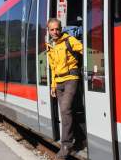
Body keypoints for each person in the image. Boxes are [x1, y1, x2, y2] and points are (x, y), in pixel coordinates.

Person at [46, 18, 83, 159]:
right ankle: (80, 140)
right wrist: (53, 86)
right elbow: (53, 68)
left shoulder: (69, 40)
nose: (55, 32)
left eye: (57, 29)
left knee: (65, 109)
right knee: (66, 113)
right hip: (59, 82)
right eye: (52, 29)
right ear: (48, 31)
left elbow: (82, 48)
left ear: (61, 29)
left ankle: (66, 146)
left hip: (71, 79)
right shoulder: (50, 46)